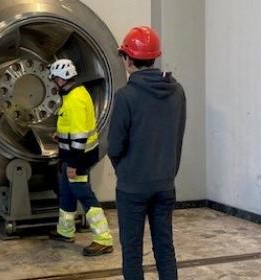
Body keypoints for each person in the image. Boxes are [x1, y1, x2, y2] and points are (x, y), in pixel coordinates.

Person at [108, 26, 186, 280]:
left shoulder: (125, 96)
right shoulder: (177, 91)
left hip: (132, 187)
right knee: (165, 248)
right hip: (165, 183)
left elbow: (115, 146)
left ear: (128, 59)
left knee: (132, 253)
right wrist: (168, 172)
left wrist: (125, 170)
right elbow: (178, 138)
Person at [47, 59, 114, 256]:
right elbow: (74, 127)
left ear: (61, 79)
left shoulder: (75, 99)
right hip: (74, 155)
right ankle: (65, 231)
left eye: (54, 79)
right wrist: (60, 135)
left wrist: (74, 164)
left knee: (84, 195)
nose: (53, 82)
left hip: (80, 158)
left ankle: (103, 239)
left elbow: (79, 136)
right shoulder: (75, 94)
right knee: (67, 192)